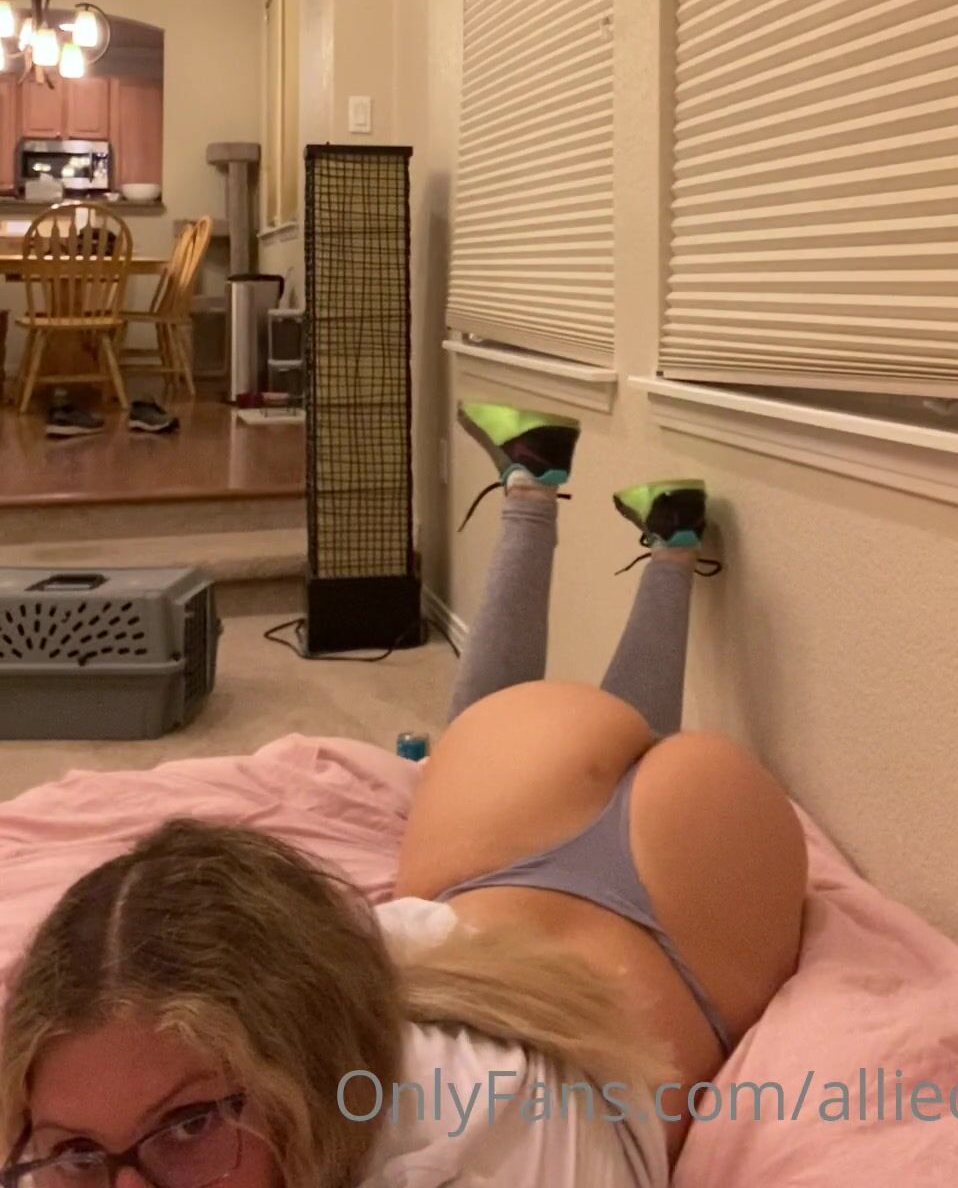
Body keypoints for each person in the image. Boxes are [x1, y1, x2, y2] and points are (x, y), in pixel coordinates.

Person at [0, 404, 807, 1188]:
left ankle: (647, 534)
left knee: (484, 737)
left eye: (189, 1126)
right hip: (645, 897)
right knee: (478, 737)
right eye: (76, 1154)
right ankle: (590, 508)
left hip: (504, 897)